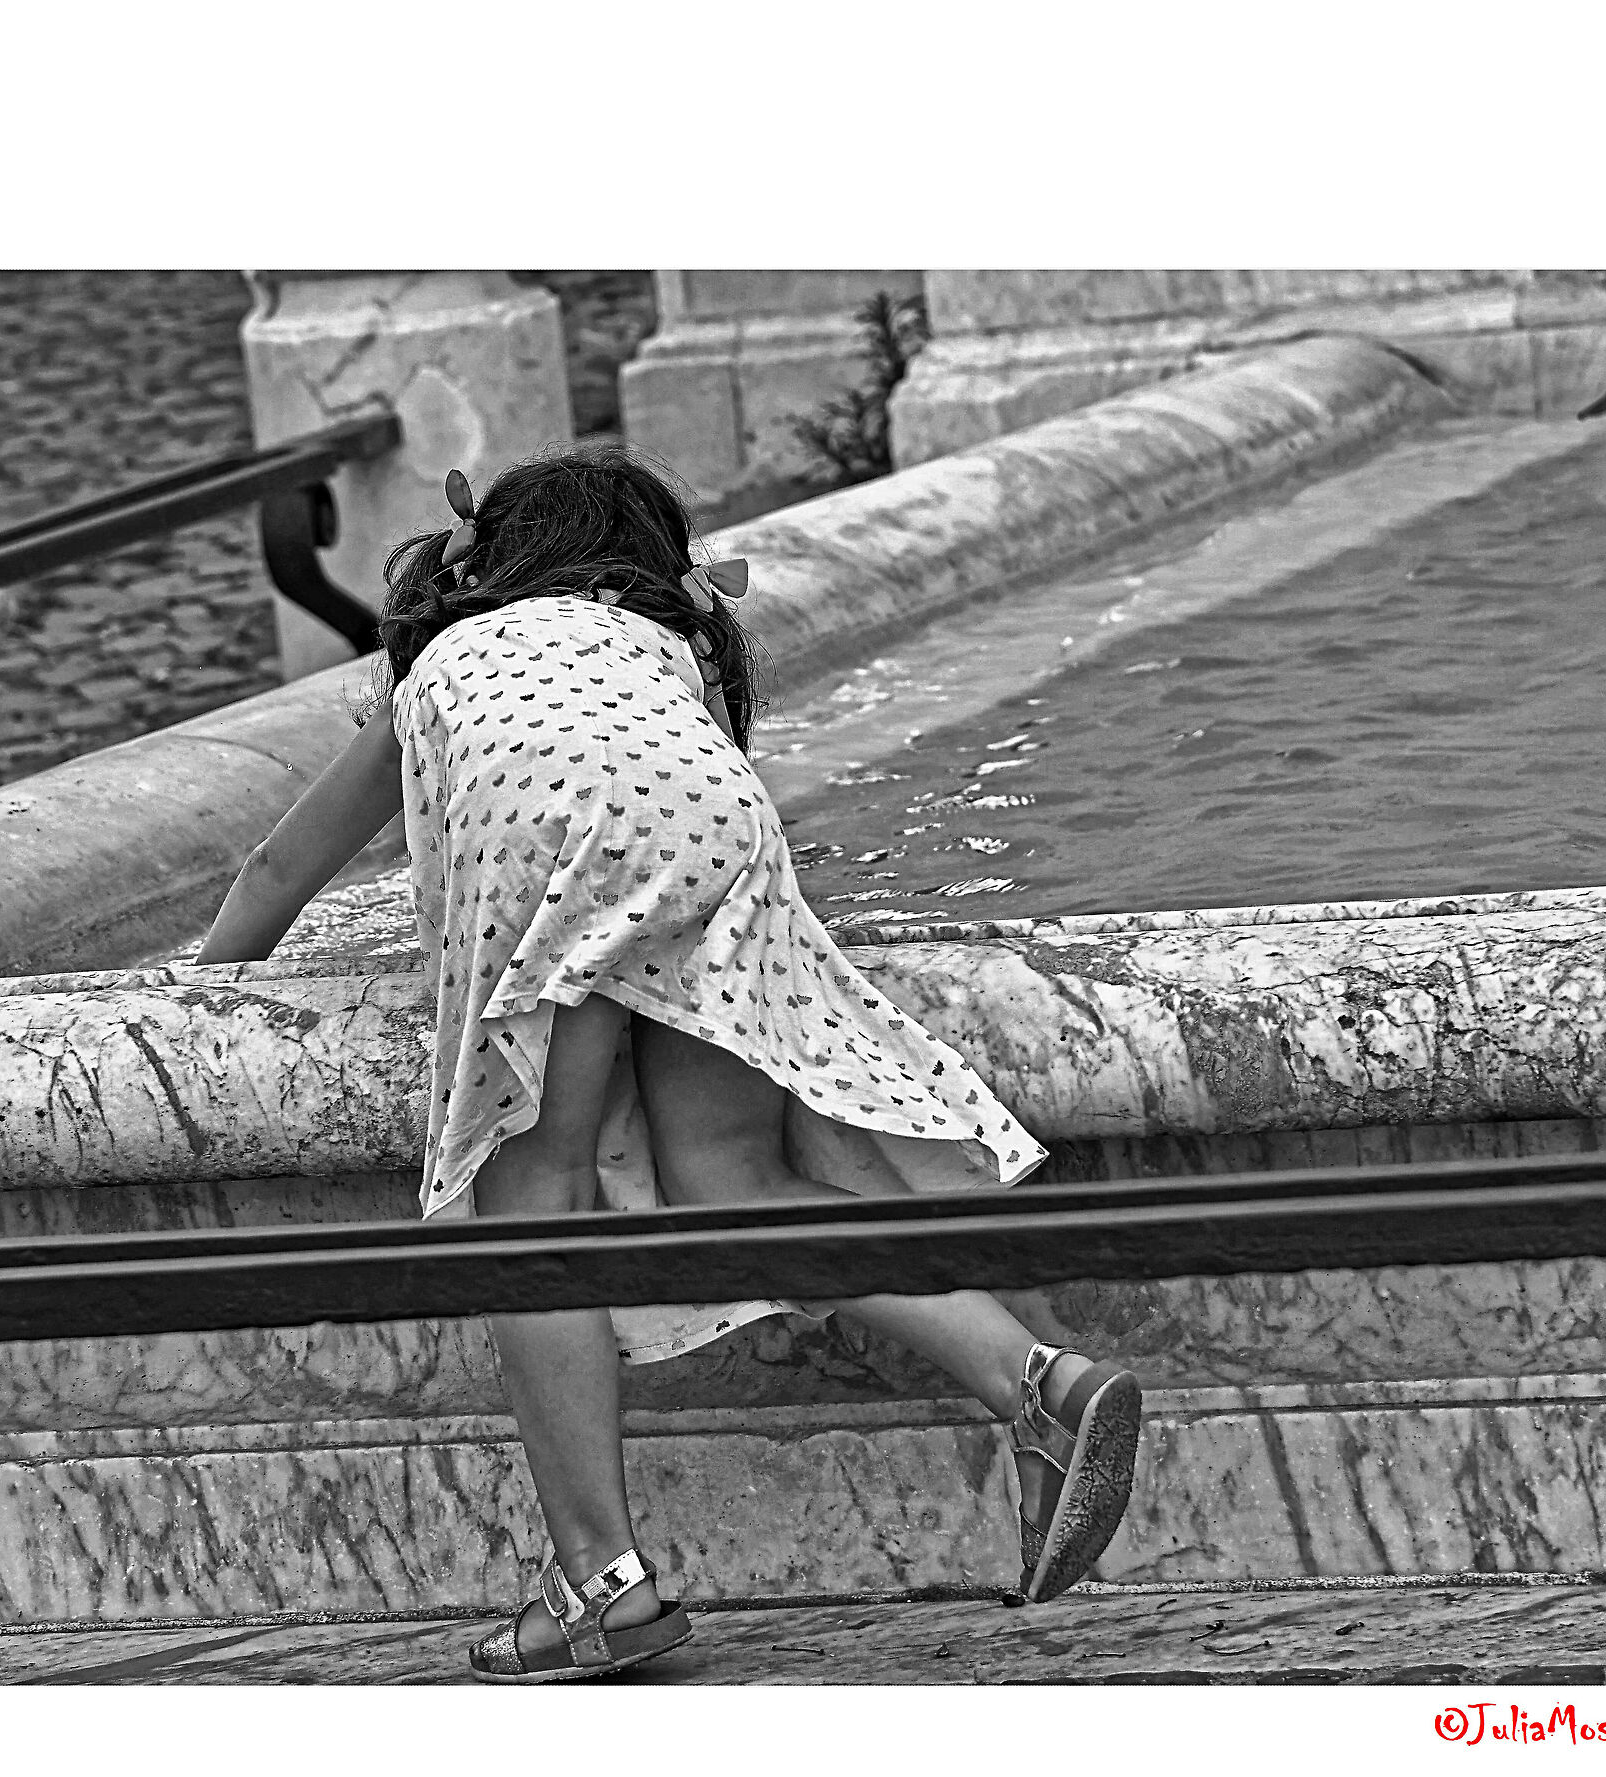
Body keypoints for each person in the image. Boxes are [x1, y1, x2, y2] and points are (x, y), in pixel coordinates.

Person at [199, 445, 1143, 1682]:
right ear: (653, 570)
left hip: (556, 835)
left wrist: (202, 990)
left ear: (484, 561)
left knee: (528, 1205)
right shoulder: (660, 653)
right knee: (729, 1180)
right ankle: (1040, 1383)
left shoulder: (446, 661)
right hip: (709, 823)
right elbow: (644, 801)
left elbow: (278, 869)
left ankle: (602, 1583)